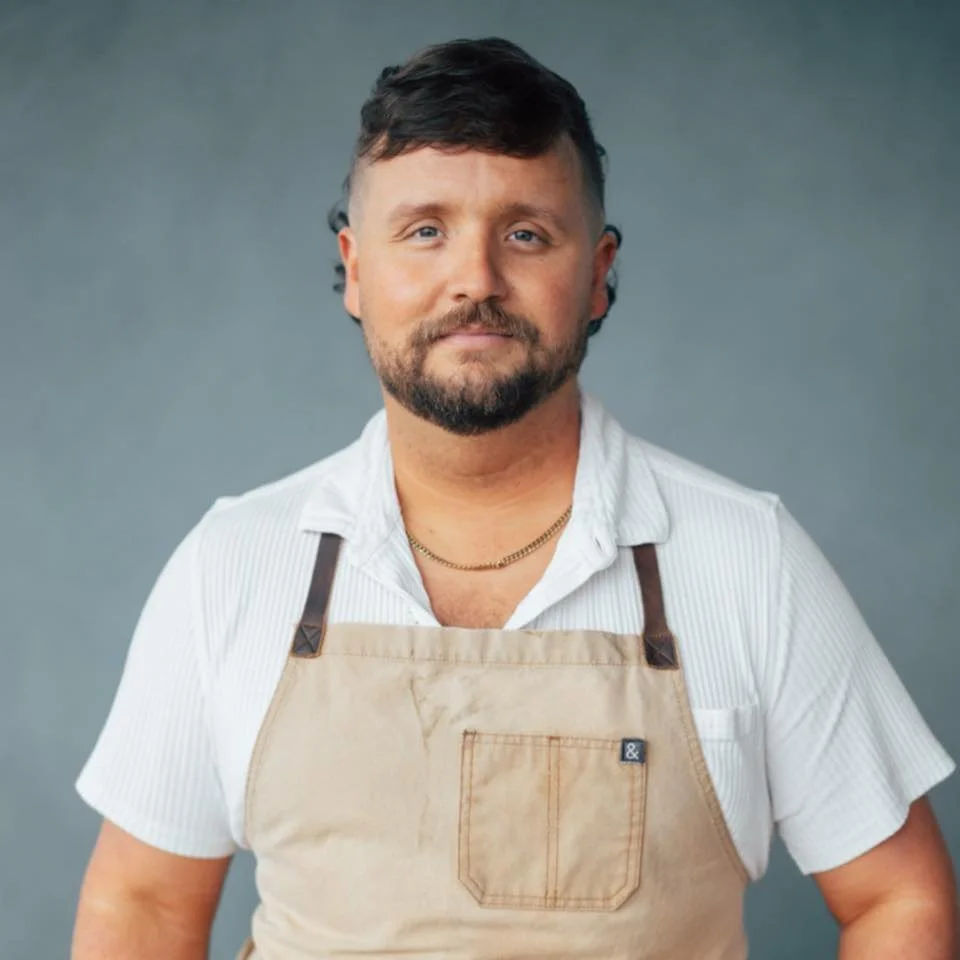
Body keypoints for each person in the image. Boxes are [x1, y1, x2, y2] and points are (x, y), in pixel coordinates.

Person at [71, 36, 956, 960]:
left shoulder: (746, 560)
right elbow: (142, 908)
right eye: (424, 230)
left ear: (599, 274)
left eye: (526, 234)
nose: (476, 281)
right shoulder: (236, 565)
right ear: (357, 269)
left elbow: (899, 899)